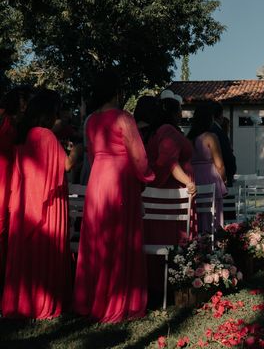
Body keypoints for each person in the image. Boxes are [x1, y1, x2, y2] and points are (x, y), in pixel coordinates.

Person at [73, 71, 155, 322]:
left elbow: (89, 154)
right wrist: (148, 177)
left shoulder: (91, 120)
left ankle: (91, 299)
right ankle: (117, 301)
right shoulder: (123, 118)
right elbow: (139, 157)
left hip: (98, 178)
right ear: (116, 93)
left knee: (97, 237)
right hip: (120, 180)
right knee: (120, 238)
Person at [2, 90, 71, 319]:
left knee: (25, 255)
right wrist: (78, 151)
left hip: (24, 202)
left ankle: (19, 302)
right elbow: (66, 165)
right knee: (44, 250)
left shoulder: (24, 135)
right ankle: (43, 302)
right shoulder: (46, 136)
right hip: (48, 203)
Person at [145, 95, 197, 243]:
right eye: (179, 111)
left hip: (175, 188)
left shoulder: (161, 130)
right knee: (172, 234)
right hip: (174, 190)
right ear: (172, 113)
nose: (181, 114)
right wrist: (188, 182)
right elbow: (169, 161)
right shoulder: (167, 130)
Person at [0, 85, 31, 293]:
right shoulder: (5, 121)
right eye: (23, 101)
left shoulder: (15, 123)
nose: (25, 106)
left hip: (9, 175)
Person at [187, 102, 227, 232]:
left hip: (193, 178)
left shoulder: (188, 139)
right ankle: (212, 243)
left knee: (196, 214)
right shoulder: (210, 137)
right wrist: (224, 180)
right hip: (211, 178)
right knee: (213, 214)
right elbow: (219, 164)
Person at [210, 101, 236, 186]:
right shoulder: (219, 133)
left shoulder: (203, 131)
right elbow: (226, 156)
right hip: (220, 176)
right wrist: (230, 172)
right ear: (220, 115)